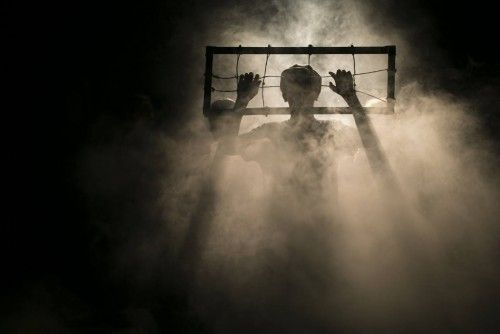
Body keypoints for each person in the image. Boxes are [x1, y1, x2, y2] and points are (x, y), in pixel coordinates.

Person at [207, 65, 362, 205]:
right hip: (282, 228)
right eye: (295, 89)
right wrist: (242, 101)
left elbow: (367, 141)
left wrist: (351, 97)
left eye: (305, 88)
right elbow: (227, 147)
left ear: (315, 93)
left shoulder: (331, 131)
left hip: (325, 225)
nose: (300, 95)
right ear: (285, 95)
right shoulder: (270, 132)